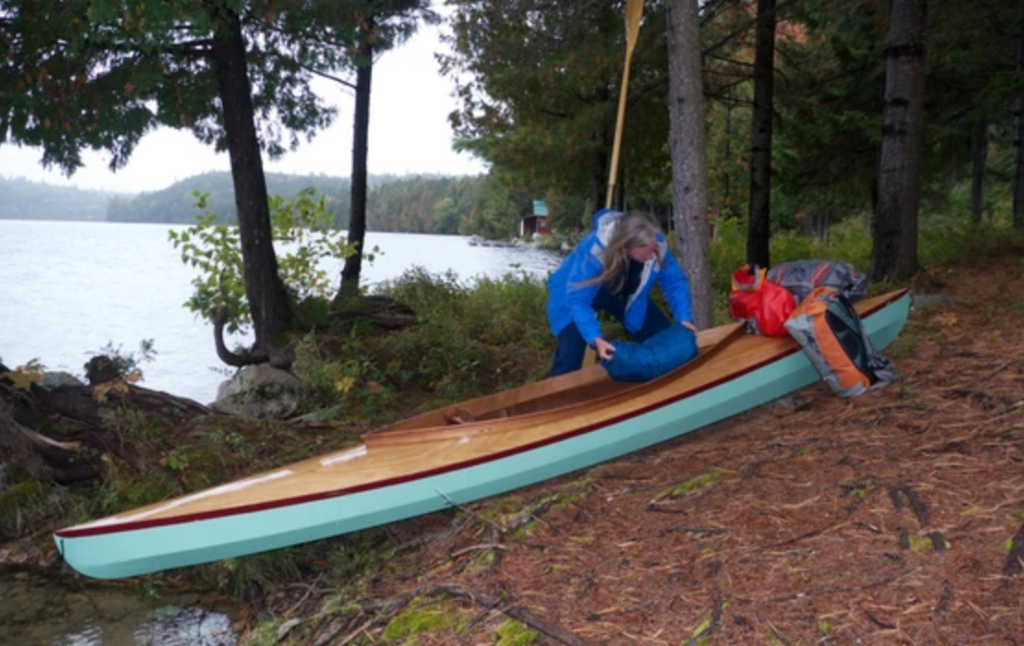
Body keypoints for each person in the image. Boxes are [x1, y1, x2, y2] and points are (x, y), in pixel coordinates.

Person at [546, 209, 697, 377]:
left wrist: (684, 317)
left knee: (665, 338)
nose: (652, 256)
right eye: (647, 253)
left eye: (653, 249)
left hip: (621, 291)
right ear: (625, 249)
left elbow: (674, 282)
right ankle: (559, 389)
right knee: (570, 357)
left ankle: (665, 381)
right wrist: (596, 338)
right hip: (573, 292)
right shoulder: (593, 252)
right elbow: (577, 299)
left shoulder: (655, 242)